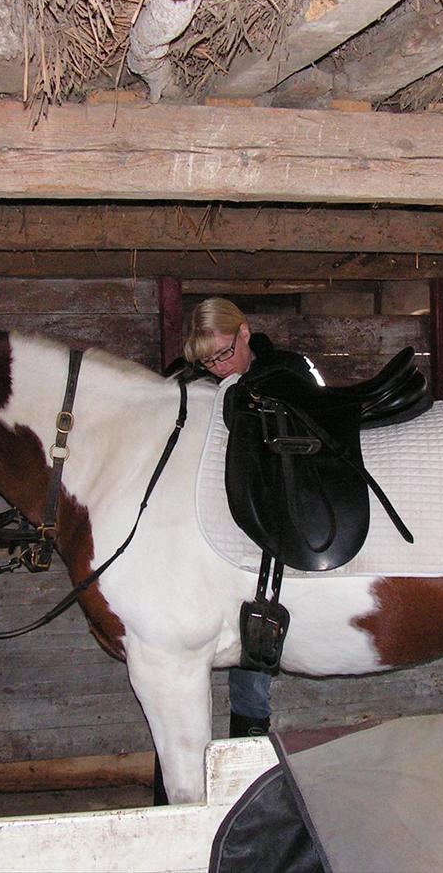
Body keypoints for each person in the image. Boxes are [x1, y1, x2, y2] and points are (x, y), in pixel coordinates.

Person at [181, 297, 322, 738]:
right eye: (207, 360)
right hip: (205, 524)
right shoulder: (190, 381)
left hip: (267, 519)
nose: (219, 367)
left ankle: (250, 736)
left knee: (254, 627)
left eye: (225, 353)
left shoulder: (288, 372)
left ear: (245, 332)